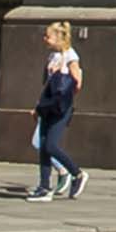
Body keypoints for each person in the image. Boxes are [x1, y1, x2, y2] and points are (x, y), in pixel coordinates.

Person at [28, 24, 84, 201]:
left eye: (48, 36)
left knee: (51, 145)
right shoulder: (52, 56)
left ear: (59, 38)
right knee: (43, 147)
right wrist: (39, 106)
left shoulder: (71, 56)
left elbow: (77, 82)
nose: (45, 39)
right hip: (48, 105)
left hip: (61, 107)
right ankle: (44, 187)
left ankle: (77, 173)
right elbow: (47, 85)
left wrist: (64, 97)